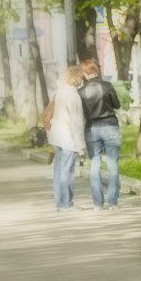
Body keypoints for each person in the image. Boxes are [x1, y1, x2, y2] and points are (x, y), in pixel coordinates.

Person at [78, 58, 121, 210]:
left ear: (84, 73)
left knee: (95, 165)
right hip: (110, 125)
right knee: (113, 164)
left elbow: (81, 113)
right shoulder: (107, 86)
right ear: (96, 69)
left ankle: (97, 203)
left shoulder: (81, 92)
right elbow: (117, 104)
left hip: (92, 128)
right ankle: (113, 203)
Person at [48, 66, 86, 212]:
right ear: (76, 77)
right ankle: (67, 203)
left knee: (58, 171)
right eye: (80, 77)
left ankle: (59, 203)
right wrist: (80, 144)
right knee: (67, 172)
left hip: (57, 136)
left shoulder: (61, 91)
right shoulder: (73, 95)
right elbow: (76, 122)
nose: (81, 80)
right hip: (68, 138)